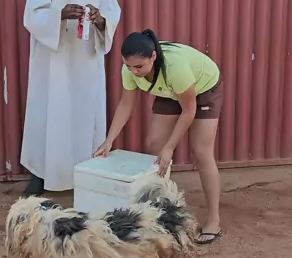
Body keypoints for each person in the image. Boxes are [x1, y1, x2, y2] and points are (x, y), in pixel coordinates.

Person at [94, 29, 223, 244]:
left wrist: (170, 147)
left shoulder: (175, 68)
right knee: (154, 146)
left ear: (153, 56)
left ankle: (214, 220)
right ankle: (160, 213)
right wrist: (109, 140)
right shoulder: (131, 69)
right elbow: (126, 104)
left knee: (202, 153)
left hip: (203, 88)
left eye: (139, 67)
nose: (134, 71)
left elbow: (188, 110)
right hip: (170, 90)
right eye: (128, 66)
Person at [21, 0, 121, 195]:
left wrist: (100, 19)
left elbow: (112, 13)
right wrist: (60, 14)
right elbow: (32, 15)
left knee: (86, 117)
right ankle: (41, 175)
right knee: (48, 114)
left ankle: (89, 175)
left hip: (86, 61)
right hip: (52, 62)